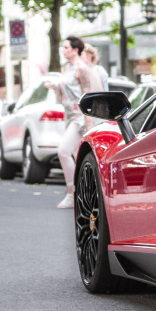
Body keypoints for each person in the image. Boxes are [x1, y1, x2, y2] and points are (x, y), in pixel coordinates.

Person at [47, 36, 104, 209]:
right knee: (79, 157)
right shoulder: (68, 68)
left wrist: (88, 123)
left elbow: (87, 97)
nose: (63, 50)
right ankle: (89, 194)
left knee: (63, 151)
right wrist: (55, 87)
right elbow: (67, 93)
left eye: (65, 47)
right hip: (70, 117)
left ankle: (72, 194)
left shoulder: (82, 68)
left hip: (79, 118)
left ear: (75, 50)